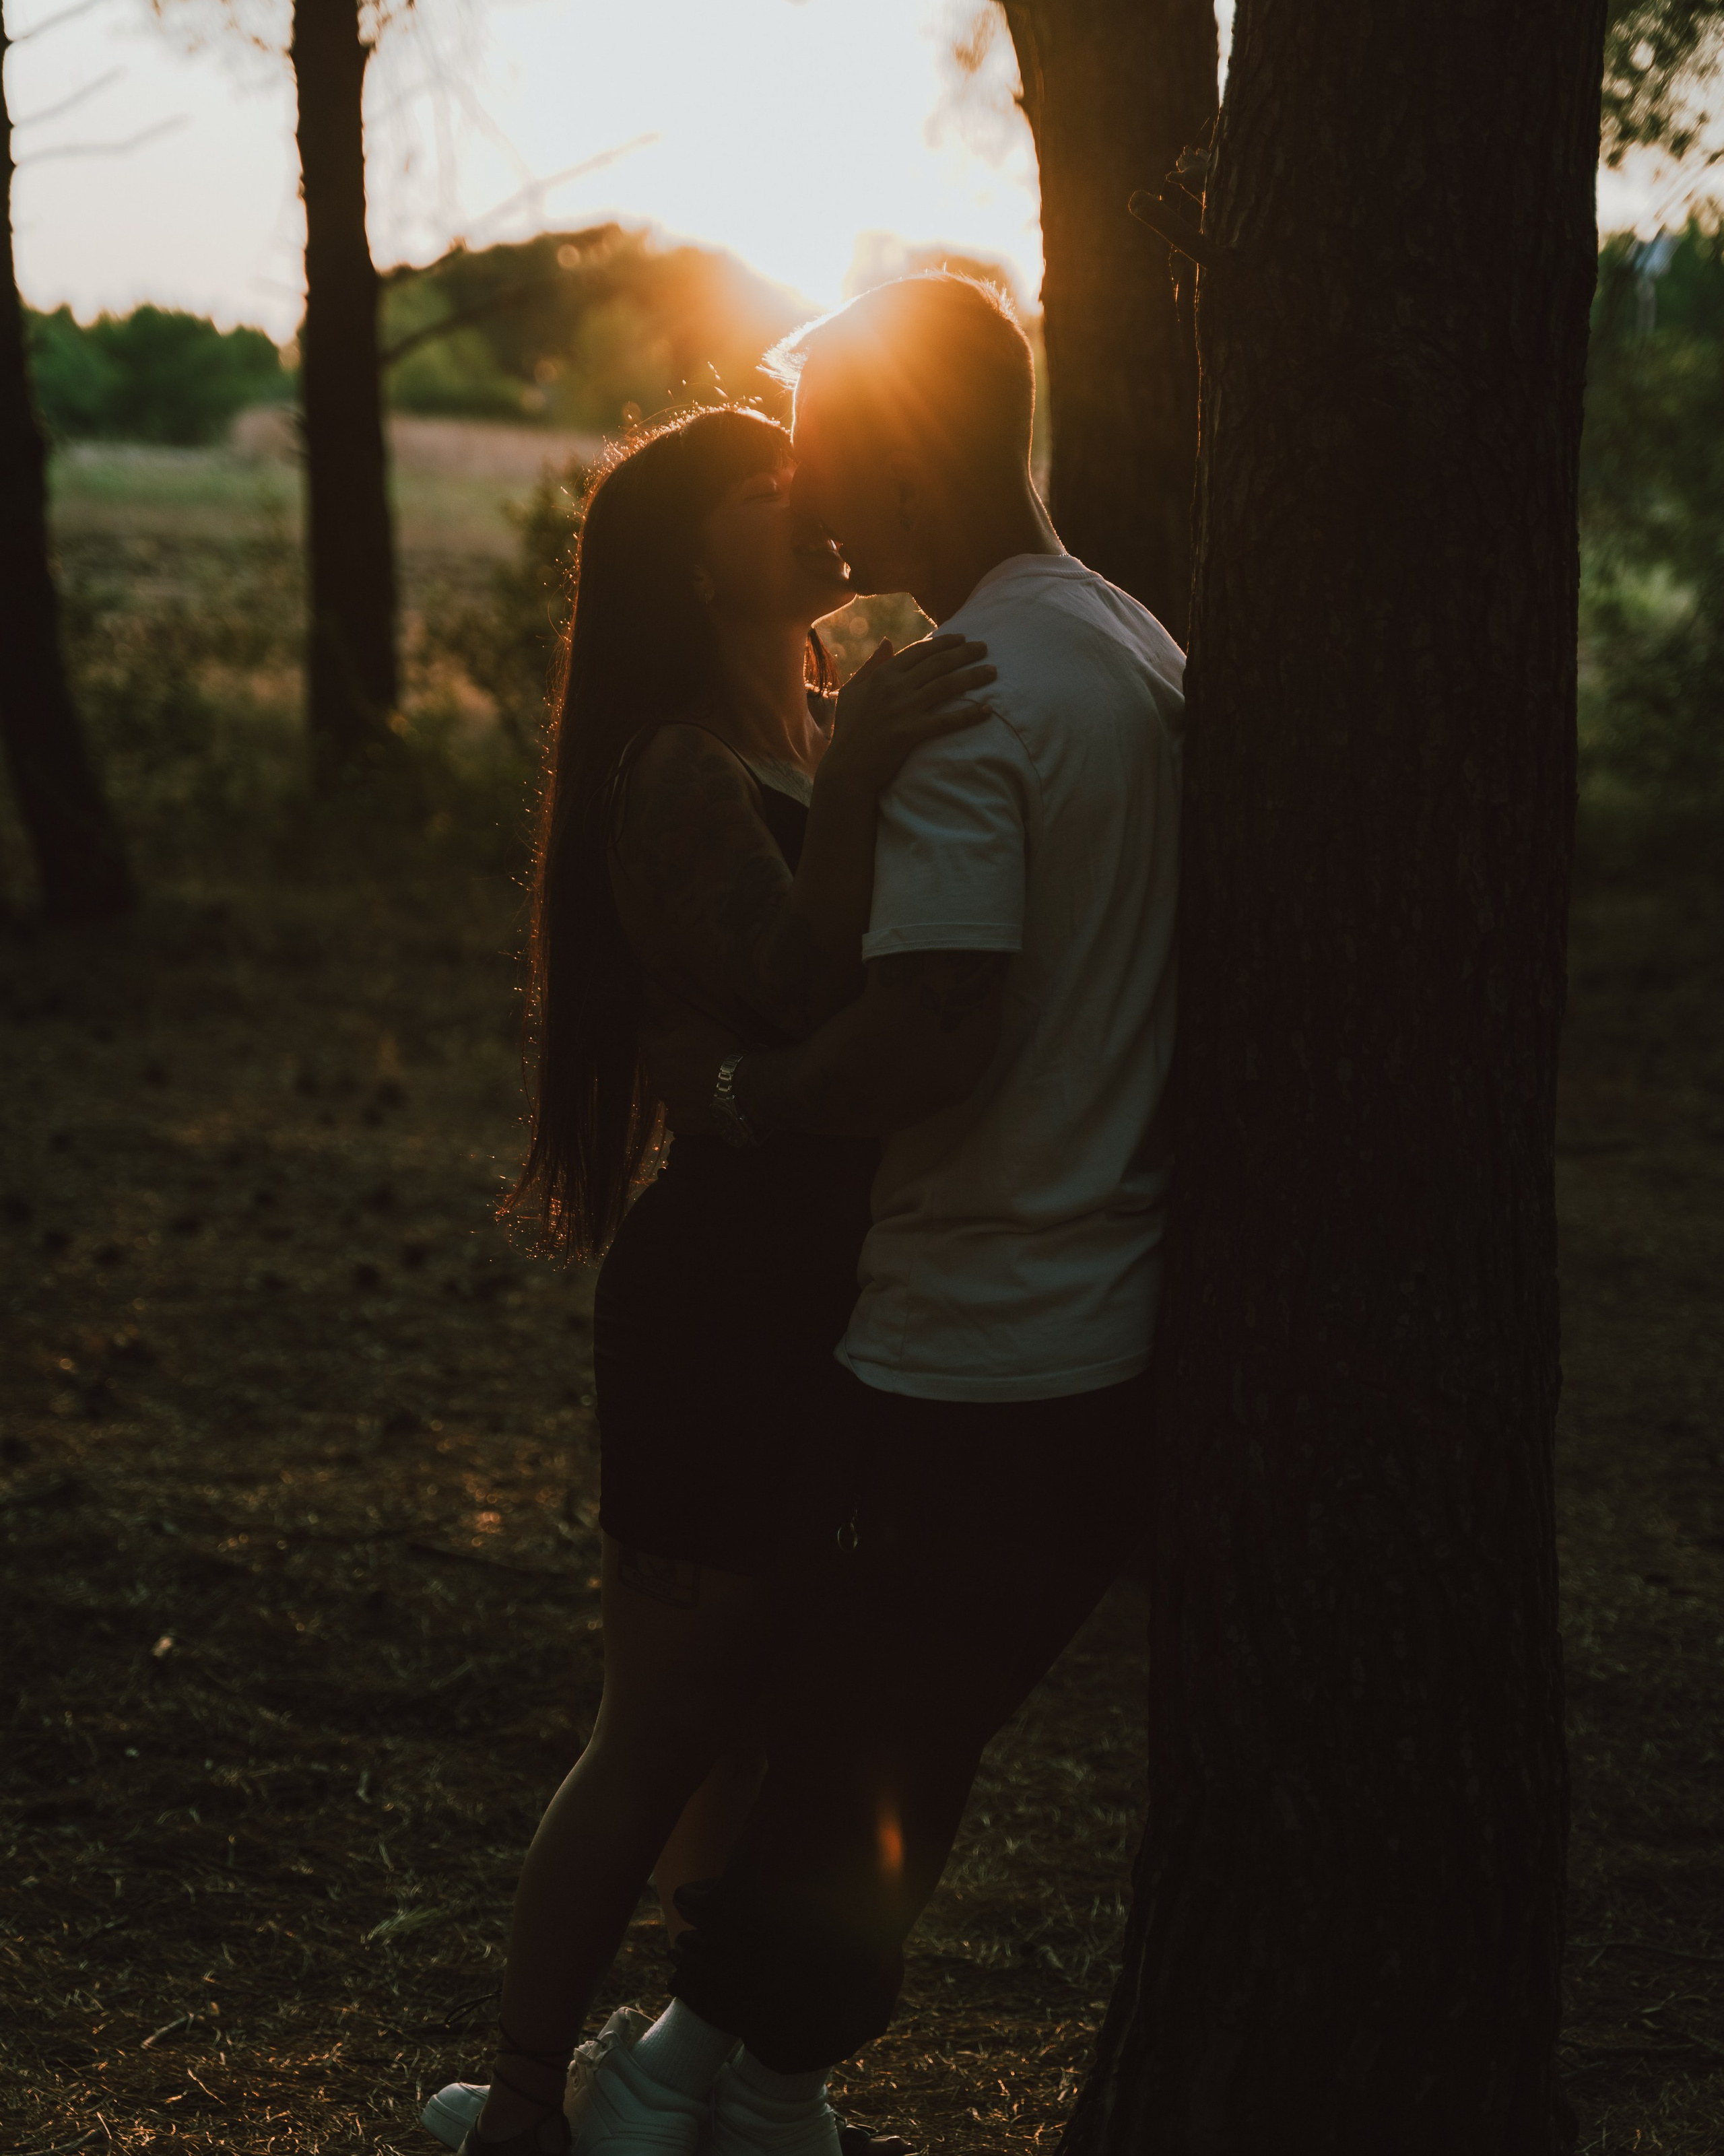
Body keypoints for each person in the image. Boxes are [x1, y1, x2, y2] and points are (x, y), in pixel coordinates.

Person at [554, 273, 1185, 2156]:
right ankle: (744, 2099)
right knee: (859, 1727)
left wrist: (750, 1098)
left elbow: (929, 1020)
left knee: (863, 1736)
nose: (810, 492)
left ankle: (672, 2086)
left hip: (983, 1318)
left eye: (826, 449)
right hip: (1060, 1290)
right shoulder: (1124, 639)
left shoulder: (973, 697)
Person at [419, 404, 995, 2156]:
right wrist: (882, 772)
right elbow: (809, 982)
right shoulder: (677, 765)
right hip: (722, 1296)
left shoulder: (828, 719)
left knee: (788, 1705)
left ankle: (707, 2075)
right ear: (694, 554)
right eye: (769, 487)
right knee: (668, 1715)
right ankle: (526, 2101)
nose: (810, 495)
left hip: (851, 1278)